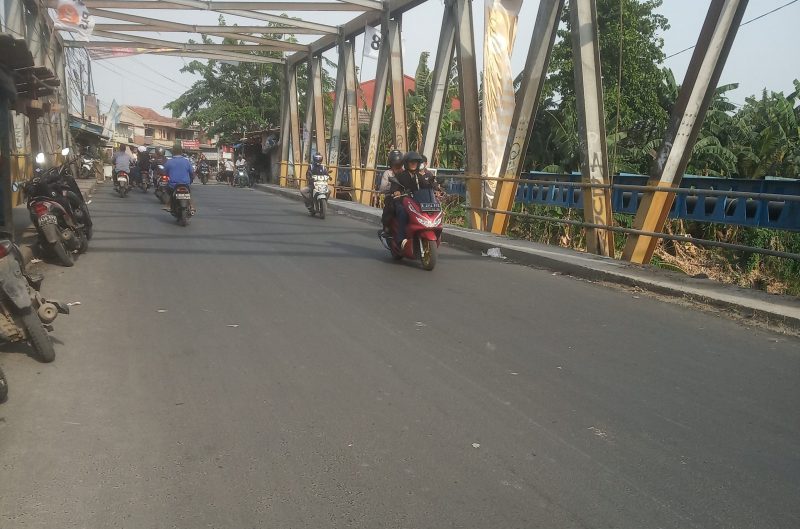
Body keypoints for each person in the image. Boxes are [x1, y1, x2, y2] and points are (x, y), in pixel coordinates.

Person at [388, 151, 434, 250]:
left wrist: (436, 188)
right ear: (406, 163)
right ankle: (401, 238)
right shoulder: (401, 175)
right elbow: (394, 187)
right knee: (403, 213)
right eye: (411, 162)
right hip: (402, 201)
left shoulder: (419, 176)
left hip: (415, 201)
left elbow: (426, 186)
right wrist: (396, 191)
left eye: (415, 162)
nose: (413, 164)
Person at [163, 146, 195, 213]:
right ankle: (192, 206)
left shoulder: (169, 162)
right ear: (181, 152)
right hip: (185, 184)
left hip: (173, 185)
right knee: (188, 193)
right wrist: (191, 180)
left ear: (172, 152)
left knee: (169, 191)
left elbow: (164, 172)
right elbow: (192, 172)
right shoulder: (186, 162)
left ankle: (168, 205)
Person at [379, 149, 404, 232]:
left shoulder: (405, 173)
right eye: (395, 163)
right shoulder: (387, 173)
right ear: (391, 163)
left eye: (399, 164)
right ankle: (386, 226)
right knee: (391, 207)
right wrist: (392, 190)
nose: (397, 166)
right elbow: (382, 188)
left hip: (404, 196)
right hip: (391, 196)